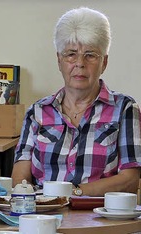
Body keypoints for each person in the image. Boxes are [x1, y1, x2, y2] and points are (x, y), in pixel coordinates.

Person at [12, 7, 141, 197]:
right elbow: (20, 178)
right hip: (45, 216)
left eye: (90, 55)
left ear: (104, 63)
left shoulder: (125, 109)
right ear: (59, 60)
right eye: (71, 54)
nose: (80, 63)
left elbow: (130, 179)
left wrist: (74, 194)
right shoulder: (37, 112)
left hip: (101, 218)